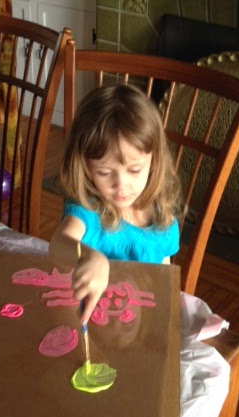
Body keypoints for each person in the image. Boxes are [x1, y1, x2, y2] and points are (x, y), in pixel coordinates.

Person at [49, 83, 182, 324]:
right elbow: (58, 244)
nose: (121, 185)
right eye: (104, 172)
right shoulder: (88, 210)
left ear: (154, 162)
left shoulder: (163, 219)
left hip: (141, 324)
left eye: (134, 170)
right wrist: (89, 257)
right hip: (93, 323)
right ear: (85, 167)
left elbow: (164, 280)